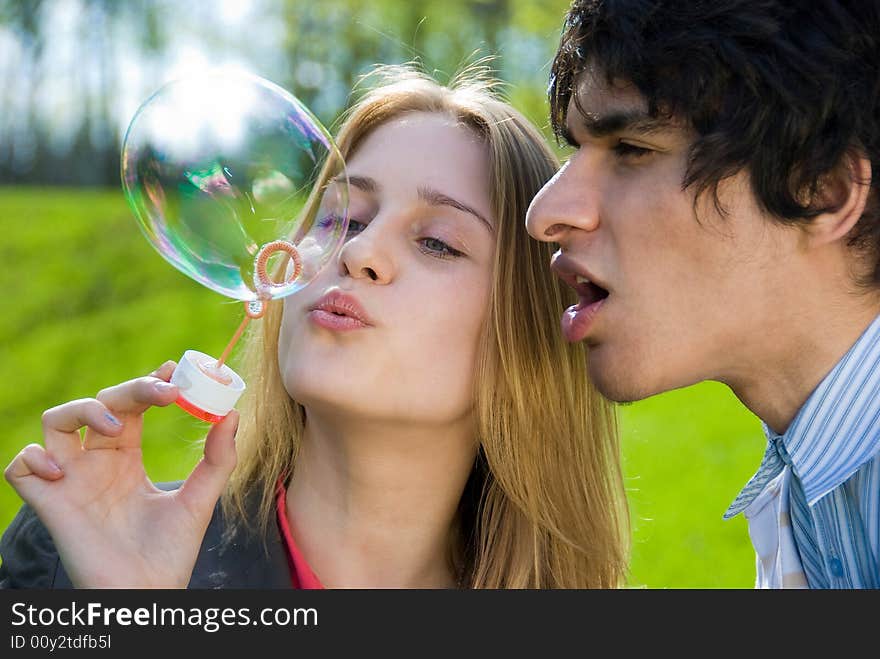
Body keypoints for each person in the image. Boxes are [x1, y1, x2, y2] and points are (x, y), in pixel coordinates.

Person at [0, 63, 629, 589]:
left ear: (523, 333)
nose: (356, 254)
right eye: (346, 220)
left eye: (437, 243)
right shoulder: (72, 555)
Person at [526, 0, 880, 588]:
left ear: (822, 191)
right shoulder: (811, 494)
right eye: (574, 152)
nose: (545, 214)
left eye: (632, 150)